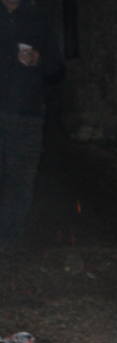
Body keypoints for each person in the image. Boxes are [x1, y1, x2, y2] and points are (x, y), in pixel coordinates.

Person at [0, 0, 64, 249]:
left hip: (28, 114)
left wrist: (39, 59)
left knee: (21, 179)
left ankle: (9, 237)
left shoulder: (39, 19)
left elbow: (57, 68)